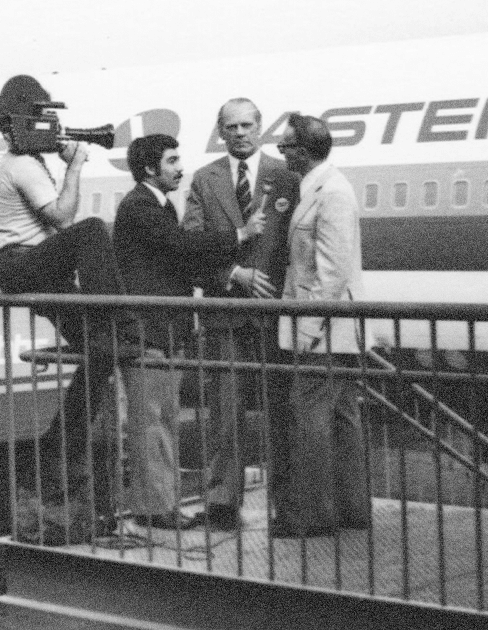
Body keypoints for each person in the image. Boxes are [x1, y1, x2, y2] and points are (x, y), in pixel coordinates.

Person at [112, 134, 265, 531]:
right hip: (150, 332)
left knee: (160, 419)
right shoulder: (140, 207)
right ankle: (155, 508)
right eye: (172, 161)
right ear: (150, 169)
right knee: (152, 421)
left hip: (164, 330)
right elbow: (180, 247)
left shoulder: (157, 205)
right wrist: (239, 235)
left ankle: (159, 504)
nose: (180, 168)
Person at [0, 124, 137, 482]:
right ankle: (117, 318)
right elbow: (63, 218)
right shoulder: (22, 163)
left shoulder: (31, 161)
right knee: (92, 229)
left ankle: (56, 453)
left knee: (102, 351)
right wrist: (74, 166)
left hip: (37, 268)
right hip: (21, 265)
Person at [183, 98, 299, 531]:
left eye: (247, 125)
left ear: (260, 127)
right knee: (224, 413)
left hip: (274, 316)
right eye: (231, 127)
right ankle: (222, 503)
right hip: (225, 312)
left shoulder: (286, 177)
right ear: (220, 130)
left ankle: (287, 503)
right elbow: (191, 245)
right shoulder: (204, 180)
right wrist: (233, 273)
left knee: (282, 413)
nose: (240, 133)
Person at [273, 113, 372, 537]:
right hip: (336, 327)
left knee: (310, 417)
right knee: (341, 418)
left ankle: (311, 515)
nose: (281, 153)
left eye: (285, 146)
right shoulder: (321, 187)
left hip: (324, 327)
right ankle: (351, 510)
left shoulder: (331, 192)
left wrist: (309, 330)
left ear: (303, 150)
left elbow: (331, 273)